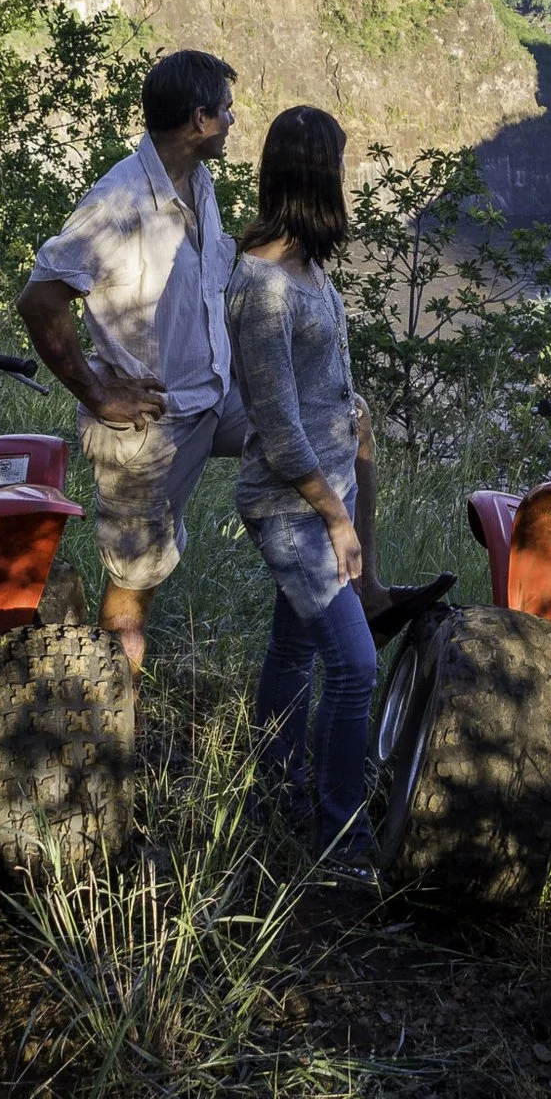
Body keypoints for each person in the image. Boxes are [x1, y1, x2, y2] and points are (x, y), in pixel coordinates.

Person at [17, 50, 246, 670]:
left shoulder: (196, 181)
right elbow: (40, 300)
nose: (233, 119)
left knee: (330, 421)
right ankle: (113, 722)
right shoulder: (117, 205)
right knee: (131, 588)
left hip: (213, 399)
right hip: (150, 426)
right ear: (199, 120)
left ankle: (356, 594)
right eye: (225, 110)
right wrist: (97, 393)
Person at [226, 106, 381, 880]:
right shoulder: (262, 284)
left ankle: (275, 791)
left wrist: (352, 411)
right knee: (355, 667)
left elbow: (313, 389)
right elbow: (277, 429)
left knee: (292, 651)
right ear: (317, 177)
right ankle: (341, 839)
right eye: (339, 168)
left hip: (323, 494)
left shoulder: (305, 268)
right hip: (293, 508)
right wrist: (338, 519)